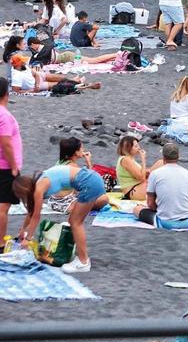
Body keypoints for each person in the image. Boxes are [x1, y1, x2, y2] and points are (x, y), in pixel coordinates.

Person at [14, 138, 110, 272]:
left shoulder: (39, 188)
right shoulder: (39, 182)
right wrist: (22, 230)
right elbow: (31, 212)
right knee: (74, 221)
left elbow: (36, 216)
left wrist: (28, 239)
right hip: (91, 180)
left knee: (76, 222)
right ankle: (82, 260)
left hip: (89, 182)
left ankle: (83, 262)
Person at [137, 142, 188, 231]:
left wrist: (159, 209)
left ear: (163, 157)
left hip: (165, 222)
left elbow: (150, 203)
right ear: (178, 157)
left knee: (137, 209)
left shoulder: (155, 174)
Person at [0, 78, 20, 241]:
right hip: (5, 166)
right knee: (3, 207)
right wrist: (13, 166)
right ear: (6, 93)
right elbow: (6, 143)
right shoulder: (4, 115)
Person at [115, 134, 150, 200]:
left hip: (138, 186)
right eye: (136, 146)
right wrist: (143, 159)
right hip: (132, 190)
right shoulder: (126, 159)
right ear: (128, 148)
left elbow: (139, 175)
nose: (139, 148)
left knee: (160, 163)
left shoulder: (130, 159)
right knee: (158, 182)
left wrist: (146, 172)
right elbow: (142, 178)